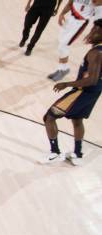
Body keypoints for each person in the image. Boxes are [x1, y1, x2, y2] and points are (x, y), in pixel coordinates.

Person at [42, 19, 102, 165]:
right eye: (93, 29)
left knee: (49, 117)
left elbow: (92, 79)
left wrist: (67, 84)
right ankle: (77, 153)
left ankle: (55, 152)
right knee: (77, 120)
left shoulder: (96, 53)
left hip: (82, 91)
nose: (92, 32)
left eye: (97, 31)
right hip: (94, 92)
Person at [47, 0, 102, 81]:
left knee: (63, 45)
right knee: (60, 44)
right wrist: (62, 14)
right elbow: (70, 3)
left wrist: (93, 32)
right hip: (70, 19)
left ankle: (63, 70)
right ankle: (61, 69)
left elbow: (99, 15)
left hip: (80, 22)